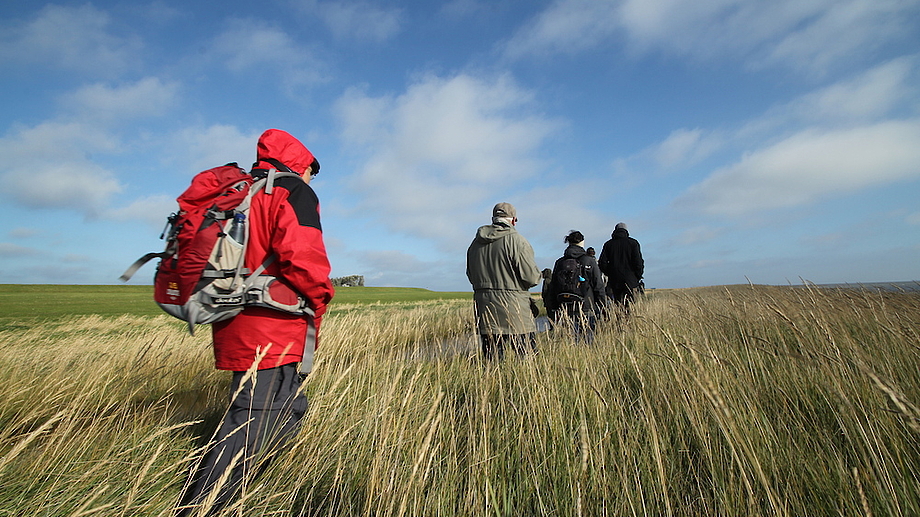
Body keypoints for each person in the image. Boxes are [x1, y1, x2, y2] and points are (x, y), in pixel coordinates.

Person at [176, 129, 335, 516]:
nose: (312, 180)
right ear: (302, 165)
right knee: (249, 420)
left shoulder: (241, 192)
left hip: (231, 319)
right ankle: (202, 507)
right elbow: (304, 257)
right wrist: (321, 301)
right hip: (271, 326)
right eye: (312, 172)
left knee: (288, 404)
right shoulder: (292, 190)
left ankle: (266, 477)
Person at [466, 202, 542, 360]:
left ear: (493, 219)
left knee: (492, 365)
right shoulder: (517, 241)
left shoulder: (474, 244)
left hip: (486, 312)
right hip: (516, 313)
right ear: (513, 220)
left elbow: (471, 275)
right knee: (528, 364)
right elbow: (531, 278)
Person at [546, 231, 606, 343]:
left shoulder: (560, 262)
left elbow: (553, 287)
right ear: (582, 242)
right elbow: (598, 285)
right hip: (586, 306)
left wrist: (554, 308)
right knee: (587, 341)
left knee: (570, 342)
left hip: (565, 306)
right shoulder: (589, 261)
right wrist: (603, 306)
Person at [598, 222, 644, 313]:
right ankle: (629, 325)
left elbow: (602, 263)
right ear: (626, 231)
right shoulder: (633, 243)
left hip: (615, 281)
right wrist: (637, 276)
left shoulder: (608, 244)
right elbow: (638, 262)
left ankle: (619, 325)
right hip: (631, 281)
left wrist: (610, 273)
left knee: (618, 306)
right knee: (630, 307)